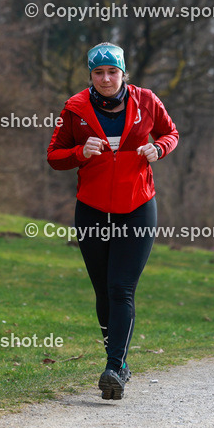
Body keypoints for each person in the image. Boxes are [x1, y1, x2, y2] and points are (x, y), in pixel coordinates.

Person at [47, 42, 179, 400]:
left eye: (112, 72)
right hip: (91, 208)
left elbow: (171, 133)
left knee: (122, 288)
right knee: (103, 290)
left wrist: (159, 148)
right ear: (90, 75)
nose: (106, 79)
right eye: (98, 72)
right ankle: (116, 362)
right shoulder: (74, 108)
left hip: (137, 206)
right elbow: (54, 155)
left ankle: (115, 366)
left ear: (124, 74)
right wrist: (79, 152)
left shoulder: (147, 101)